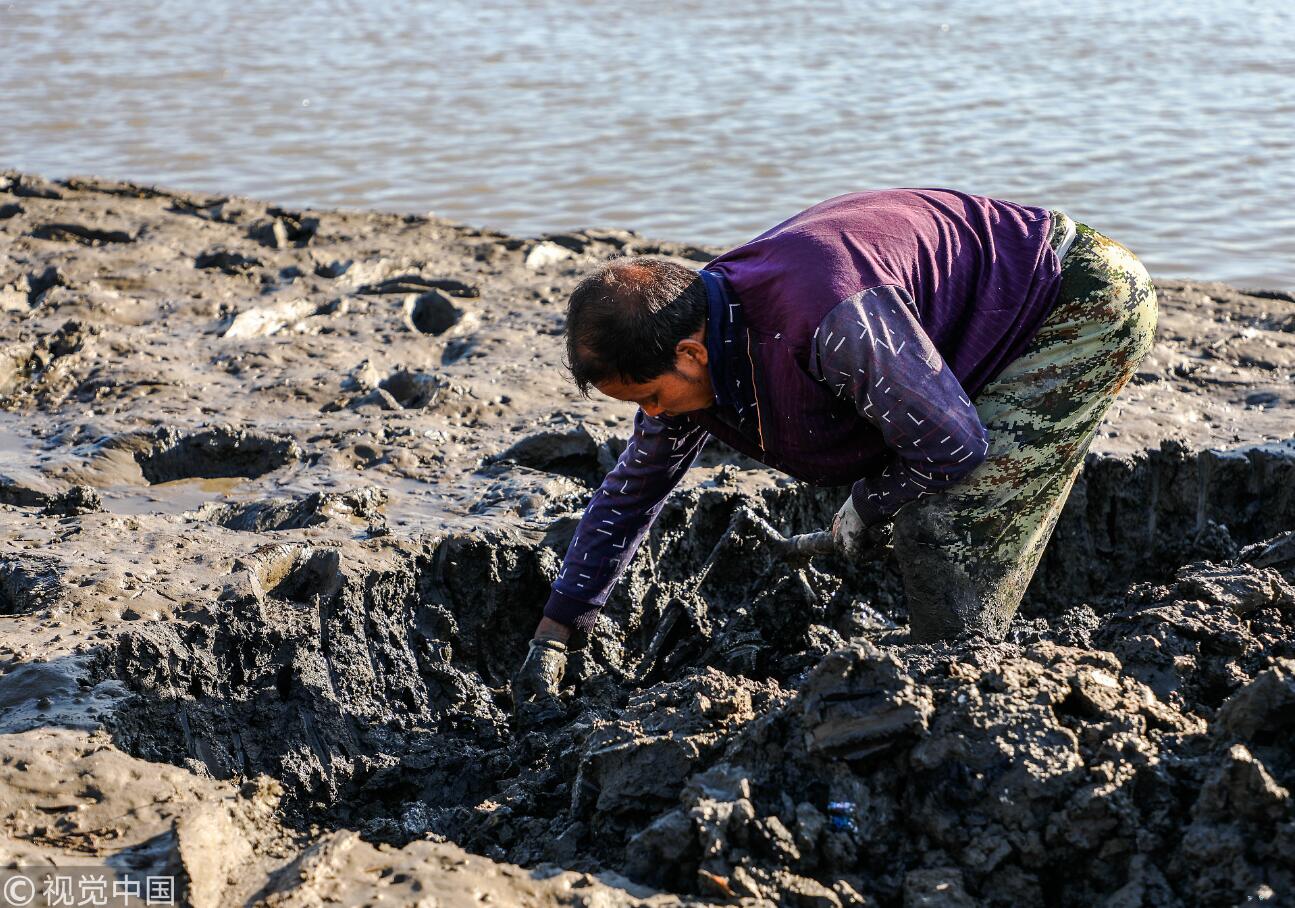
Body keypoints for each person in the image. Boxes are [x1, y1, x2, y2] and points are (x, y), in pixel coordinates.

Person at [512, 188, 1157, 708]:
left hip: (1078, 300)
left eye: (650, 398)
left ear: (690, 353)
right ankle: (953, 672)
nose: (651, 417)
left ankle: (963, 697)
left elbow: (953, 446)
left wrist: (867, 505)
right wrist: (555, 633)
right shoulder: (694, 333)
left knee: (942, 521)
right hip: (981, 320)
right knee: (926, 501)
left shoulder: (827, 319)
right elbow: (630, 492)